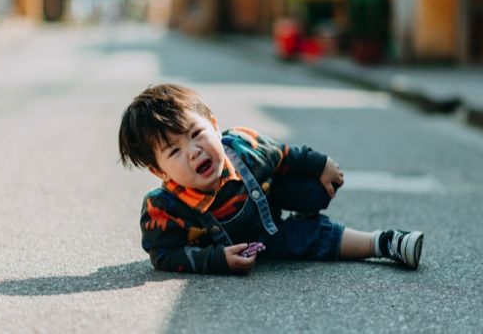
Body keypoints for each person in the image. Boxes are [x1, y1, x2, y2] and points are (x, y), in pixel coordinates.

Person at [118, 84, 424, 274]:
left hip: (266, 199)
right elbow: (164, 255)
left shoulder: (241, 146)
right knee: (315, 235)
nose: (194, 151)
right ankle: (383, 242)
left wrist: (320, 164)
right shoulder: (163, 209)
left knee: (315, 187)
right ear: (159, 172)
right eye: (174, 151)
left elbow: (281, 153)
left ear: (213, 124)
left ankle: (309, 202)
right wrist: (217, 260)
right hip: (259, 243)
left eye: (196, 134)